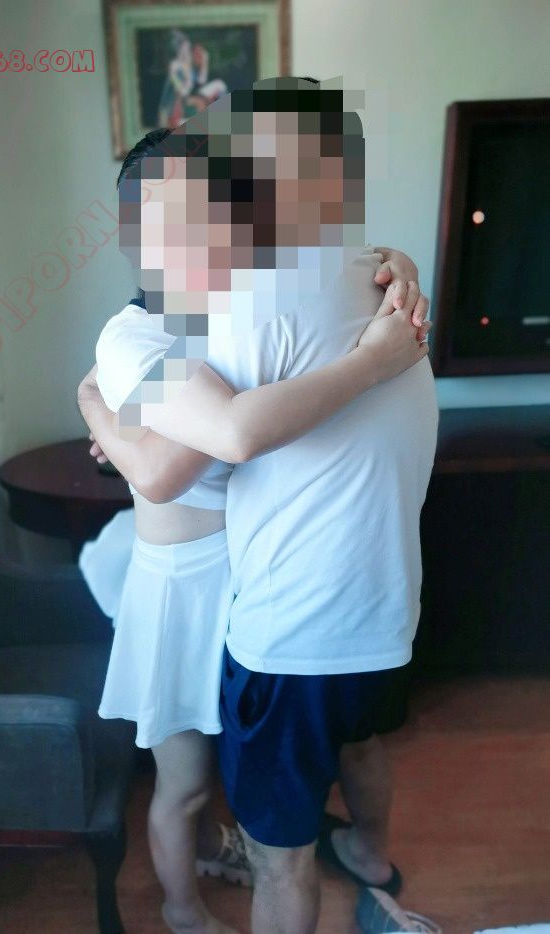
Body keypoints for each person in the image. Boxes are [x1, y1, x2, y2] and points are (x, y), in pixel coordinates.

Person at [77, 86, 432, 933]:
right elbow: (181, 460)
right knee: (193, 779)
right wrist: (95, 402)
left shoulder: (244, 312)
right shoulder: (139, 337)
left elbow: (239, 418)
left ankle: (265, 858)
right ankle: (186, 905)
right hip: (201, 592)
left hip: (261, 590)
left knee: (266, 780)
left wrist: (392, 265)